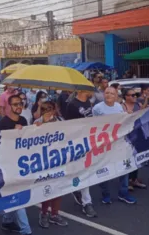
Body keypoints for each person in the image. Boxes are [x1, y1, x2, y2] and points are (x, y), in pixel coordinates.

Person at [0, 95, 31, 234]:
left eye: (20, 103)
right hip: (7, 165)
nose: (18, 106)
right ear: (9, 106)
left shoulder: (24, 120)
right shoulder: (2, 123)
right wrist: (12, 133)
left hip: (21, 163)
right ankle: (26, 230)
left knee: (13, 194)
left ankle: (7, 221)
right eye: (15, 104)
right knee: (18, 195)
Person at [93, 87, 137, 205]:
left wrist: (128, 116)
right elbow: (93, 125)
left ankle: (123, 193)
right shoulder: (97, 108)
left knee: (124, 167)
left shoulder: (119, 107)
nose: (109, 95)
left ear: (116, 96)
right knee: (104, 168)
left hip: (118, 142)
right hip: (104, 144)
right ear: (103, 94)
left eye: (112, 93)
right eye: (107, 93)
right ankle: (106, 194)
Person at [32, 101, 67, 228]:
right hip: (44, 161)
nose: (47, 112)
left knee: (58, 188)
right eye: (44, 109)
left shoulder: (60, 121)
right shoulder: (36, 123)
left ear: (54, 110)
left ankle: (55, 214)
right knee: (46, 188)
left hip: (58, 159)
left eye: (49, 109)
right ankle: (44, 213)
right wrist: (37, 128)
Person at [64, 90, 96, 218]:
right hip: (77, 142)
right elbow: (68, 125)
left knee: (85, 169)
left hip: (88, 139)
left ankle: (79, 192)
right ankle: (87, 202)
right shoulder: (72, 105)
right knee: (82, 170)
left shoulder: (87, 102)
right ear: (82, 89)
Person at [121, 89, 147, 190]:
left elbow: (142, 114)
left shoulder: (138, 105)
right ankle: (126, 182)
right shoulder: (122, 107)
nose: (135, 97)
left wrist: (146, 100)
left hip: (137, 134)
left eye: (136, 95)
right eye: (132, 95)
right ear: (126, 97)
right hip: (127, 136)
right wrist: (125, 115)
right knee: (128, 158)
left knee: (137, 157)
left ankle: (134, 179)